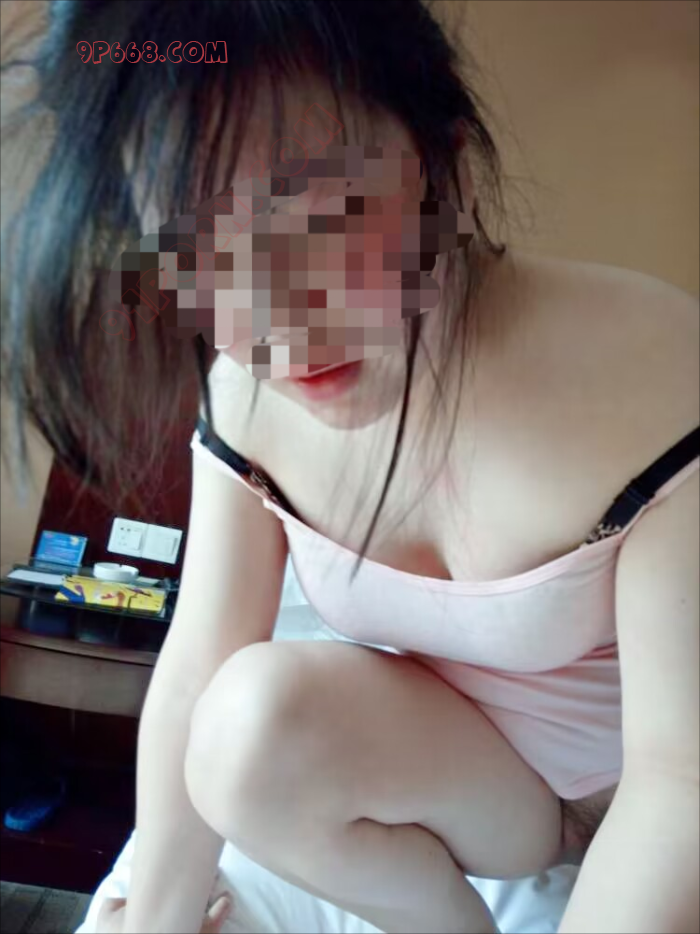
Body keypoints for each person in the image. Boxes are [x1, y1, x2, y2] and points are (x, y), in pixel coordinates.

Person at [1, 2, 698, 933]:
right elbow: (200, 663)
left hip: (637, 784)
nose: (276, 321)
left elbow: (680, 779)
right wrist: (157, 917)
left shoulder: (652, 372)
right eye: (193, 251)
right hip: (486, 798)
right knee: (243, 725)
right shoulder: (242, 394)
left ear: (447, 168)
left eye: (325, 217)